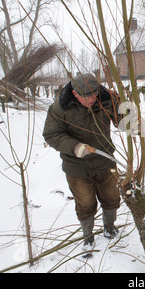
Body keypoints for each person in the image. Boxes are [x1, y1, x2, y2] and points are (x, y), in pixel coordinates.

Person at [43, 73, 122, 251]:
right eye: (86, 96)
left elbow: (122, 118)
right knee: (85, 203)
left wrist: (133, 124)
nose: (92, 99)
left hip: (105, 161)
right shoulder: (60, 108)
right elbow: (51, 135)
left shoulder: (106, 99)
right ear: (75, 93)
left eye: (94, 94)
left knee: (111, 197)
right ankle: (88, 236)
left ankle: (110, 228)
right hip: (76, 166)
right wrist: (74, 147)